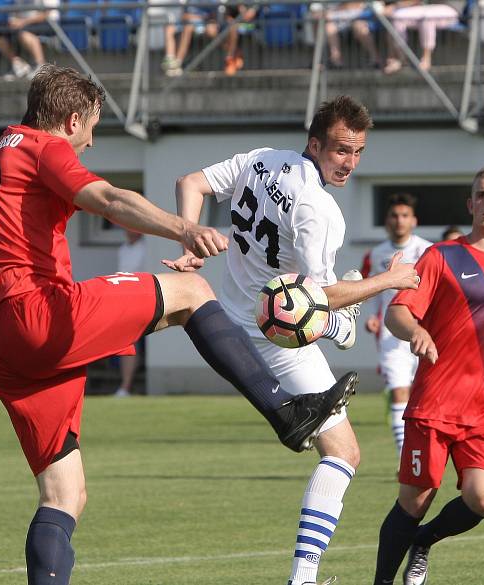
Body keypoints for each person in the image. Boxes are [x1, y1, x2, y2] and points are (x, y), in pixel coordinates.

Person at [0, 65, 355, 585]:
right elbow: (108, 200)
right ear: (70, 121)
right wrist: (185, 228)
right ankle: (286, 411)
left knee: (65, 495)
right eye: (90, 129)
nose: (89, 142)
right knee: (190, 292)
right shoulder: (45, 148)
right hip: (37, 315)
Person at [169, 95, 420, 585]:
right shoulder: (319, 209)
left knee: (326, 316)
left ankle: (337, 327)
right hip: (277, 341)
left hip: (226, 323)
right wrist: (389, 283)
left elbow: (189, 183)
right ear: (314, 143)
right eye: (341, 150)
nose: (349, 162)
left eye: (358, 152)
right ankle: (303, 577)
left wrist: (190, 242)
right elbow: (321, 292)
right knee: (344, 453)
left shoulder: (260, 159)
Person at [371, 165, 484, 585]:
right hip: (436, 403)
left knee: (481, 498)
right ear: (470, 204)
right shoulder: (443, 256)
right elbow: (398, 312)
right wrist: (418, 330)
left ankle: (424, 542)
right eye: (482, 195)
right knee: (416, 497)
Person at [361, 194, 431, 469]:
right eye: (394, 215)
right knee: (400, 392)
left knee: (424, 395)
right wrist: (371, 319)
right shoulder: (376, 255)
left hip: (425, 330)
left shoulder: (429, 251)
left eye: (404, 215)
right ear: (387, 221)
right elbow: (366, 293)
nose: (399, 220)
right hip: (391, 336)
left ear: (413, 221)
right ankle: (406, 462)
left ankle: (425, 454)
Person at [383, 0, 463, 74]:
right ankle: (400, 58)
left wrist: (395, 6)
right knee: (397, 17)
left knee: (428, 18)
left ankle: (426, 59)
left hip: (452, 9)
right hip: (430, 7)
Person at [114, 229, 147, 397]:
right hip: (123, 302)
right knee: (125, 345)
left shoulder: (145, 249)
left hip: (138, 302)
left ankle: (126, 386)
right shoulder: (123, 249)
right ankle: (125, 386)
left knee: (130, 344)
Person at [0, 0, 57, 80]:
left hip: (47, 24)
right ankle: (17, 63)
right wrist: (14, 22)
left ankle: (42, 67)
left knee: (23, 34)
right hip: (24, 24)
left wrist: (23, 22)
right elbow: (15, 14)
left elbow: (45, 14)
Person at [324, 2, 381, 70]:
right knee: (329, 27)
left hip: (360, 17)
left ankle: (375, 59)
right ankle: (336, 60)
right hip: (341, 18)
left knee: (359, 26)